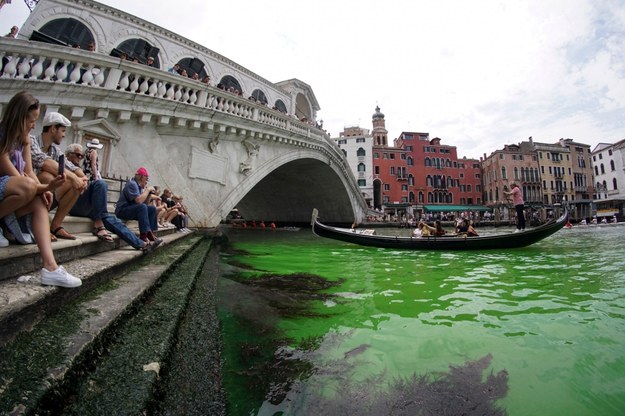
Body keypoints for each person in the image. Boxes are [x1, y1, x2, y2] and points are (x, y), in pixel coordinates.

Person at [0, 91, 81, 287]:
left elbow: (28, 170)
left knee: (40, 200)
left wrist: (45, 189)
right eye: (31, 121)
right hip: (7, 186)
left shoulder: (25, 139)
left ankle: (51, 267)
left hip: (16, 190)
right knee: (31, 187)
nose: (34, 125)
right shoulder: (2, 134)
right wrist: (41, 186)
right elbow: (16, 175)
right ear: (19, 117)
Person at [64, 143, 158, 252]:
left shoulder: (78, 169)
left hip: (84, 203)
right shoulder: (64, 166)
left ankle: (140, 244)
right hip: (72, 204)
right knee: (100, 184)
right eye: (77, 155)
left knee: (110, 218)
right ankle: (99, 224)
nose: (80, 158)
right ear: (68, 155)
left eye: (81, 156)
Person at [31, 112, 87, 241]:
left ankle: (55, 226)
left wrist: (83, 178)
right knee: (47, 176)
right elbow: (44, 162)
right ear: (53, 129)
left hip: (47, 194)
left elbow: (72, 167)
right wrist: (73, 177)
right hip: (30, 192)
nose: (64, 134)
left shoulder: (55, 150)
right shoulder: (31, 140)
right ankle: (41, 226)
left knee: (76, 185)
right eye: (62, 130)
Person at [115, 167, 161, 244]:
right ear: (141, 176)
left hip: (132, 209)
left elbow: (144, 204)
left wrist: (149, 194)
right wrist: (147, 190)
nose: (147, 179)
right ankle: (143, 236)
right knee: (142, 207)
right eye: (146, 177)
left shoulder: (138, 186)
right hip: (122, 210)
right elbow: (139, 201)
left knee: (152, 209)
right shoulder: (132, 184)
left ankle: (151, 234)